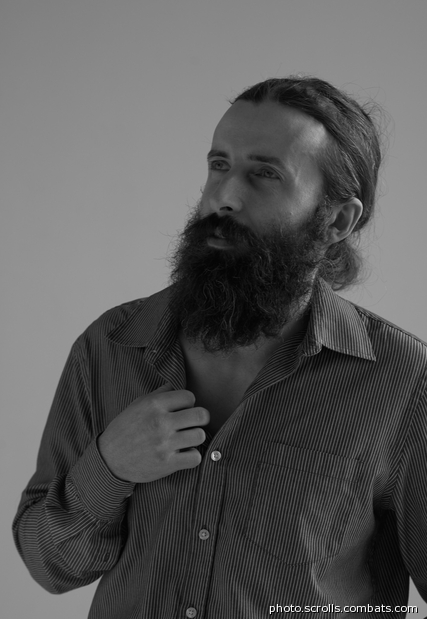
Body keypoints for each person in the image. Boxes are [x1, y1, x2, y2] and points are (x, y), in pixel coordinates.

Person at [13, 77, 427, 619]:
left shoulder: (403, 381)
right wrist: (109, 467)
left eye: (265, 174)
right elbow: (48, 566)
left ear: (337, 220)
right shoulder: (110, 347)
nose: (222, 197)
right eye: (219, 164)